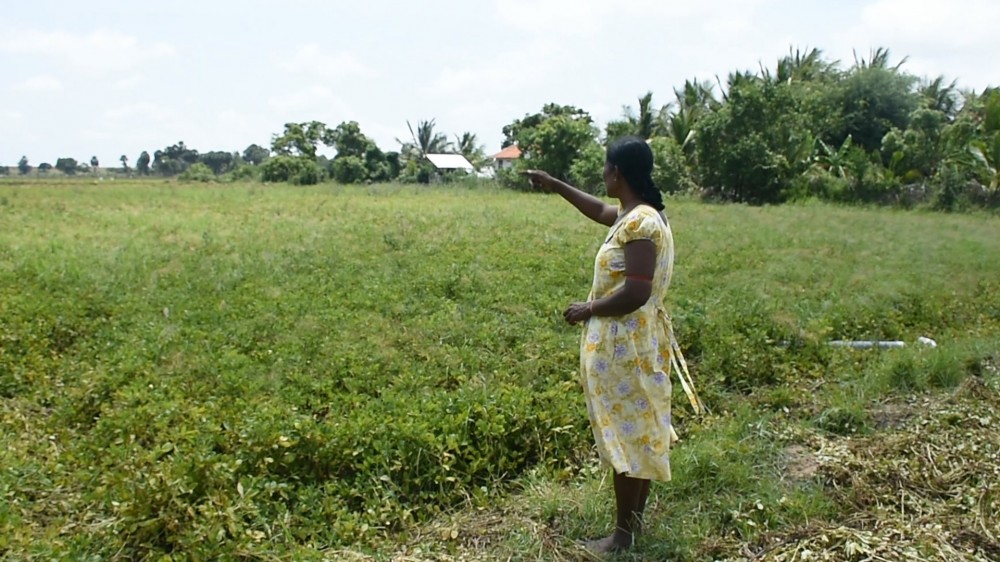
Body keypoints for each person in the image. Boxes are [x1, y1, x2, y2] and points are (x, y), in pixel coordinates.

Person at [524, 136, 704, 555]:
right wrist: (555, 184)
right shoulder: (638, 215)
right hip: (634, 345)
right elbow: (603, 211)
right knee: (637, 435)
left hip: (628, 349)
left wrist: (587, 309)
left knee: (627, 439)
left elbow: (637, 291)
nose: (602, 175)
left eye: (605, 168)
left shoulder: (641, 224)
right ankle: (632, 527)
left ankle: (622, 537)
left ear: (616, 172)